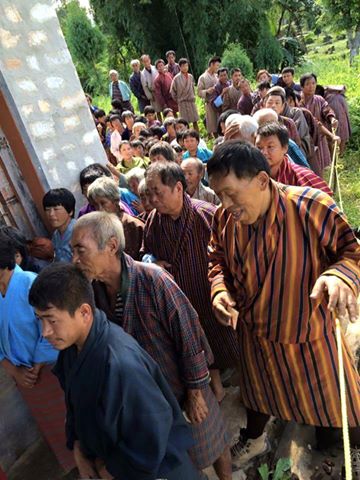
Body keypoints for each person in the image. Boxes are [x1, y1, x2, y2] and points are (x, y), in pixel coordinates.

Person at [207, 141, 360, 471]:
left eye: (232, 193)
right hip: (257, 339)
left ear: (262, 181)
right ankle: (256, 438)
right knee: (260, 399)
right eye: (219, 194)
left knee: (337, 410)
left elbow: (352, 252)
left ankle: (338, 448)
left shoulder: (310, 206)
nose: (226, 203)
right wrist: (220, 291)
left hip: (309, 339)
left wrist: (338, 276)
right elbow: (216, 259)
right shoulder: (223, 218)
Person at [29, 262, 203, 480]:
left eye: (52, 320)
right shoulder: (71, 350)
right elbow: (75, 404)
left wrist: (108, 470)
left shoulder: (120, 363)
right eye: (40, 320)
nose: (45, 332)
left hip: (154, 469)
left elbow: (150, 436)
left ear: (84, 312)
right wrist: (78, 447)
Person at [143, 162, 240, 397]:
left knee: (234, 344)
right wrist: (150, 262)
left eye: (158, 192)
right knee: (201, 347)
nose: (154, 199)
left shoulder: (206, 214)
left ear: (178, 188)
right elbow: (145, 252)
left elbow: (235, 253)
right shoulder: (154, 221)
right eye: (150, 193)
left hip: (214, 296)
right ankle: (218, 386)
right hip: (184, 303)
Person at [0, 233, 73, 473]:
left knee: (75, 423)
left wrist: (36, 365)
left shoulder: (31, 283)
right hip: (24, 378)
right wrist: (14, 370)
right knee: (55, 432)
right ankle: (76, 469)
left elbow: (53, 326)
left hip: (52, 370)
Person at [256, 122, 333, 196]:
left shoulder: (302, 177)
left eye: (270, 147)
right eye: (259, 148)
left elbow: (326, 204)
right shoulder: (251, 176)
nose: (263, 152)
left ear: (284, 148)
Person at [87, 176, 144, 260]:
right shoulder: (97, 228)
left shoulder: (134, 225)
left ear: (116, 200)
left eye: (103, 203)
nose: (99, 209)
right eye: (95, 205)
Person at [300, 73, 340, 174]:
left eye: (313, 83)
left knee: (320, 168)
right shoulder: (298, 103)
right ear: (302, 87)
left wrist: (332, 119)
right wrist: (331, 136)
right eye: (308, 84)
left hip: (320, 138)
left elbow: (326, 109)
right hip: (305, 140)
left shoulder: (319, 99)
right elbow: (315, 123)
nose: (311, 86)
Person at [264, 86, 312, 159]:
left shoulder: (292, 117)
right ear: (265, 104)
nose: (273, 106)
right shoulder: (262, 117)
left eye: (277, 103)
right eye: (270, 103)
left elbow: (296, 141)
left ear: (283, 105)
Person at [43, 188, 76, 263]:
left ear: (70, 211)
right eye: (47, 210)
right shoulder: (56, 235)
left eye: (56, 209)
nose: (51, 214)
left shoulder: (78, 231)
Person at [170, 58, 199, 132]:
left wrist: (193, 96)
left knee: (195, 120)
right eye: (183, 66)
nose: (185, 67)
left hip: (191, 101)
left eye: (186, 66)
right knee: (185, 122)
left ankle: (197, 135)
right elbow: (172, 92)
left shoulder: (190, 76)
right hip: (182, 102)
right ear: (179, 67)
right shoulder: (176, 78)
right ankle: (187, 135)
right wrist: (178, 100)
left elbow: (193, 88)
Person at [197, 56, 222, 137]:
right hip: (209, 103)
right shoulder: (203, 77)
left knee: (220, 121)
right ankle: (215, 139)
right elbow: (199, 92)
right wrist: (207, 91)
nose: (218, 68)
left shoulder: (217, 76)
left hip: (219, 102)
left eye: (219, 66)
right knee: (213, 124)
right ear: (211, 64)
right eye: (217, 65)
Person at [324, 85, 352, 155]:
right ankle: (341, 154)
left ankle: (332, 155)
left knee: (331, 137)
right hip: (340, 119)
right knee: (342, 136)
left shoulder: (325, 97)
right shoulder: (340, 98)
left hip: (331, 119)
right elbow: (346, 110)